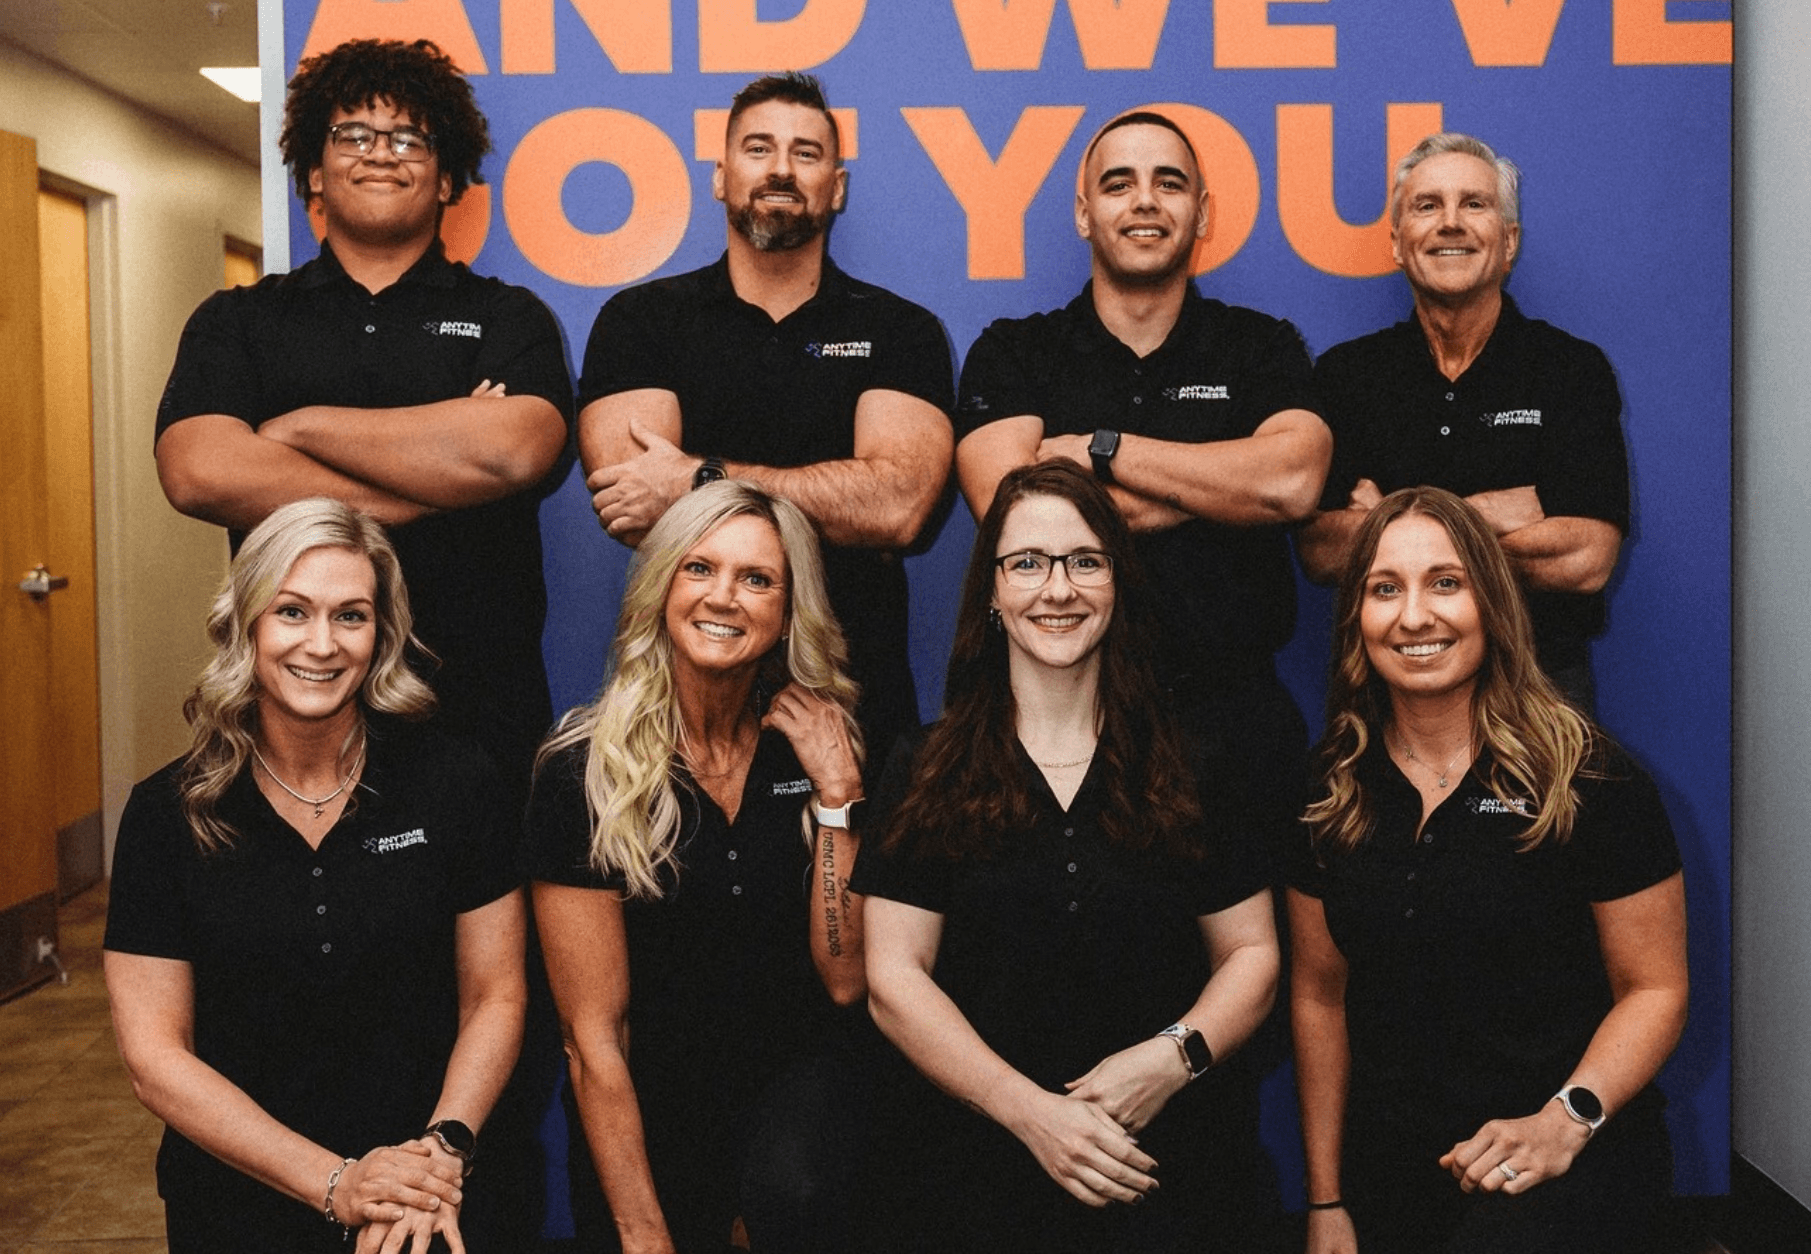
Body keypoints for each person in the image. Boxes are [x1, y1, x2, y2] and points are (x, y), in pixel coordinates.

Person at [856, 461, 1279, 1252]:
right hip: (977, 1173)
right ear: (992, 591)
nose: (1059, 590)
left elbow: (1252, 955)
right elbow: (892, 980)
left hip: (1169, 1169)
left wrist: (1172, 1059)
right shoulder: (923, 764)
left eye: (1085, 561)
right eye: (1028, 564)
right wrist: (1033, 1114)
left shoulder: (1196, 761)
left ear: (1118, 584)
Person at [154, 37, 575, 803]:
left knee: (494, 925)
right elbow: (198, 469)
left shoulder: (509, 317)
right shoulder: (239, 321)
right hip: (292, 716)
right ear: (314, 171)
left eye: (409, 137)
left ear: (448, 177)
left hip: (480, 711)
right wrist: (432, 482)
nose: (381, 152)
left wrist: (297, 427)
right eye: (353, 134)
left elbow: (514, 451)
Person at [104, 498, 527, 1254]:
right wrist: (336, 1183)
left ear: (382, 634)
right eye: (292, 611)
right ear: (249, 625)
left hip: (429, 1192)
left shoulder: (456, 783)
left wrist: (438, 1153)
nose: (322, 644)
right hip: (238, 1196)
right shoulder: (165, 814)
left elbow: (495, 993)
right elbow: (155, 1060)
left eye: (351, 616)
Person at [1289, 486, 1687, 1254]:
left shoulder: (1591, 780)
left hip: (1565, 1155)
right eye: (1384, 588)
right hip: (1396, 1168)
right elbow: (1318, 995)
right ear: (1356, 620)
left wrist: (1564, 1121)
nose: (1414, 616)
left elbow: (1658, 989)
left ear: (1493, 604)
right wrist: (1326, 1201)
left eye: (1446, 582)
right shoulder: (1329, 787)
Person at [955, 109, 1329, 842]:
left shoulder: (1260, 347)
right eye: (1119, 183)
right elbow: (1017, 516)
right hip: (1054, 725)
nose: (1146, 201)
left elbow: (1290, 484)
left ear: (1202, 212)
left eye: (1170, 182)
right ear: (1084, 211)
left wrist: (1101, 449)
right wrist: (1221, 490)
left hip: (1237, 722)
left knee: (1258, 953)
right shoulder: (1015, 352)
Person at [525, 481, 869, 1252]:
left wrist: (838, 797)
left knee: (795, 1187)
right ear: (660, 589)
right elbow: (594, 1039)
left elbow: (846, 979)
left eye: (757, 579)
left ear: (787, 611)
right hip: (647, 1132)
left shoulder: (813, 748)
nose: (726, 597)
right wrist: (646, 1236)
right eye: (699, 569)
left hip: (799, 1136)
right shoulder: (582, 771)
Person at [578, 71, 953, 770]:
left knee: (856, 877)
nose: (782, 168)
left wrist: (700, 476)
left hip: (853, 695)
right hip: (680, 703)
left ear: (836, 187)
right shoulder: (642, 323)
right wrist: (837, 496)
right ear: (720, 177)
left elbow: (899, 505)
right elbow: (631, 503)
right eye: (759, 148)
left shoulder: (900, 331)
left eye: (806, 153)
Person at [1297, 133, 1630, 708]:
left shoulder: (1571, 369)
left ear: (1508, 241)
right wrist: (1501, 513)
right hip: (1384, 693)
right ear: (1399, 243)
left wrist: (1390, 523)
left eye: (1474, 204)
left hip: (1536, 686)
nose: (1451, 223)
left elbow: (1586, 558)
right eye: (1427, 206)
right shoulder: (1346, 375)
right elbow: (1322, 550)